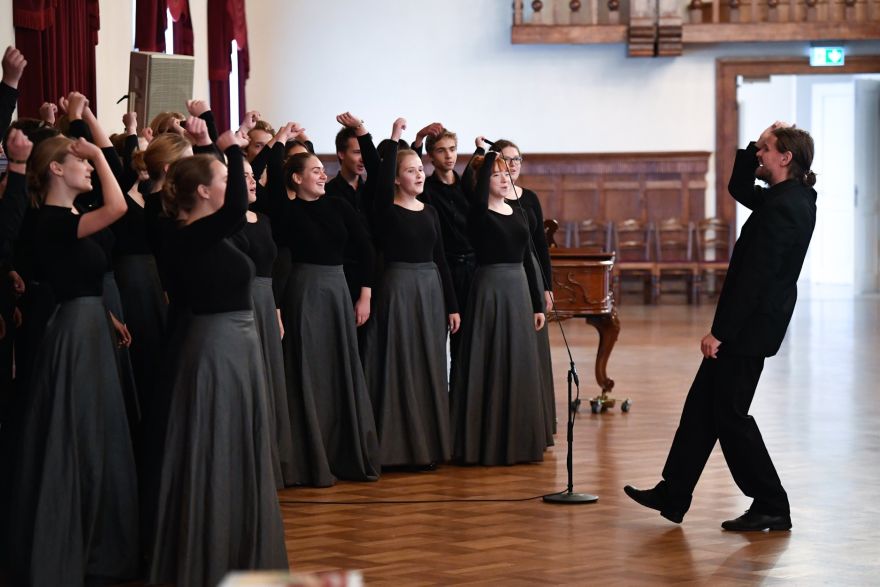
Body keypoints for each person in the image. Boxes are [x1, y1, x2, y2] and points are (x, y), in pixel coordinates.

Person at [624, 122, 818, 531]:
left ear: (786, 158)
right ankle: (674, 491)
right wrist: (757, 141)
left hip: (748, 330)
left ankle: (771, 503)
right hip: (749, 326)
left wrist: (721, 333)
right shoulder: (788, 197)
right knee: (702, 409)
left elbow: (756, 281)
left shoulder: (785, 206)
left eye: (765, 149)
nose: (758, 155)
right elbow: (738, 187)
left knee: (730, 416)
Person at [150, 131, 288, 586]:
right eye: (225, 178)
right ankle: (211, 550)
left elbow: (236, 216)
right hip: (215, 347)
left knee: (240, 444)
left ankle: (240, 544)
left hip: (238, 343)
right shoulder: (185, 235)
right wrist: (228, 144)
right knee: (217, 445)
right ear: (203, 191)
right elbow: (233, 211)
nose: (231, 183)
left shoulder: (209, 235)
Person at [5, 133, 140, 585]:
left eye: (88, 160)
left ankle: (97, 541)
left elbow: (82, 275)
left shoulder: (74, 217)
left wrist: (104, 313)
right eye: (77, 160)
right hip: (73, 335)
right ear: (57, 170)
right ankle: (70, 542)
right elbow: (119, 206)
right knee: (77, 432)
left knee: (96, 431)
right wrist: (101, 154)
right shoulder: (50, 221)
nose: (87, 166)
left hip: (89, 325)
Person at [279, 151, 380, 487]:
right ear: (296, 178)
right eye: (315, 171)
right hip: (303, 292)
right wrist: (280, 143)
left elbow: (366, 247)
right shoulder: (287, 211)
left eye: (324, 171)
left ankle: (344, 453)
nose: (323, 176)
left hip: (338, 290)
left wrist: (364, 295)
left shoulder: (339, 205)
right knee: (307, 369)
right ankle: (309, 457)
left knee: (339, 367)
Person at [364, 118, 460, 468]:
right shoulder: (385, 211)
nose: (419, 175)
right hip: (399, 290)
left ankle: (426, 446)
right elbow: (378, 182)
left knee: (429, 364)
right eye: (410, 170)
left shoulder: (431, 212)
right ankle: (394, 448)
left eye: (421, 169)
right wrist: (396, 139)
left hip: (430, 291)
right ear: (395, 177)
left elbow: (441, 260)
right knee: (397, 362)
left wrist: (452, 306)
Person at [451, 148, 548, 466]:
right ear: (483, 181)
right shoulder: (478, 213)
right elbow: (477, 200)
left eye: (507, 173)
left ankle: (519, 440)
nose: (504, 179)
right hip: (490, 290)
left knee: (518, 361)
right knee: (489, 360)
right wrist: (487, 157)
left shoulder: (519, 211)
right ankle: (486, 441)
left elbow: (527, 258)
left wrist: (537, 303)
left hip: (518, 288)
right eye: (496, 174)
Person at [231, 157, 295, 488]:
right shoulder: (226, 224)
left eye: (253, 175)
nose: (252, 180)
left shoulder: (265, 220)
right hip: (241, 304)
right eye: (242, 176)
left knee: (270, 379)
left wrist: (277, 311)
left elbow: (272, 268)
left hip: (267, 303)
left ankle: (271, 461)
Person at [491, 138, 556, 443]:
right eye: (507, 160)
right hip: (505, 271)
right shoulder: (490, 197)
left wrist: (547, 287)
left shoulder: (528, 197)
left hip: (529, 269)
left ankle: (537, 416)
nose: (513, 165)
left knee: (535, 348)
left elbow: (540, 245)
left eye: (517, 159)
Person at [414, 125, 477, 383]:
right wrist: (418, 139)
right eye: (441, 151)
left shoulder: (468, 187)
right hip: (442, 267)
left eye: (452, 149)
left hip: (471, 267)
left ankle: (463, 402)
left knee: (468, 340)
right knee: (439, 334)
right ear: (430, 156)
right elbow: (408, 164)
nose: (449, 156)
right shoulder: (426, 189)